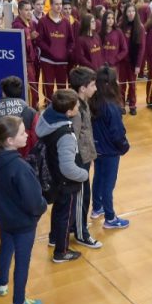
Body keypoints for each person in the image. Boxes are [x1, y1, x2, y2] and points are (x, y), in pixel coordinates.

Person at [0, 116, 46, 304]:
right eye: (22, 132)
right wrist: (42, 207)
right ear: (10, 141)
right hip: (22, 223)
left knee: (5, 249)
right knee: (22, 261)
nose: (27, 134)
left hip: (4, 219)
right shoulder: (19, 167)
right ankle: (19, 303)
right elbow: (33, 201)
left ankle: (2, 283)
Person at [36, 89, 89, 264]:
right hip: (66, 181)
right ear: (68, 112)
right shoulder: (65, 135)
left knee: (58, 211)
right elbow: (67, 167)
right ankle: (62, 251)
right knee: (66, 216)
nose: (79, 106)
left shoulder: (47, 117)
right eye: (76, 105)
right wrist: (83, 174)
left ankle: (54, 238)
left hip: (54, 176)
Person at [90, 66, 130, 229]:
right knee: (108, 184)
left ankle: (96, 208)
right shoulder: (111, 106)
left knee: (98, 178)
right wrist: (124, 146)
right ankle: (110, 218)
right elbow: (117, 132)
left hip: (97, 148)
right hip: (110, 151)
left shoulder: (93, 101)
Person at [66, 67, 102, 249]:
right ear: (82, 88)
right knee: (81, 196)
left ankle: (74, 226)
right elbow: (74, 136)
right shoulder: (76, 109)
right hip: (79, 159)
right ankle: (81, 234)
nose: (95, 88)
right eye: (93, 85)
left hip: (84, 156)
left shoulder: (82, 103)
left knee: (79, 195)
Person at [36, 0, 74, 104]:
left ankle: (61, 106)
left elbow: (71, 41)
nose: (59, 6)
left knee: (62, 86)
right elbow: (39, 40)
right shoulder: (43, 21)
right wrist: (50, 50)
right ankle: (49, 105)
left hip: (62, 60)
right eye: (56, 4)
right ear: (51, 5)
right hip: (48, 60)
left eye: (60, 4)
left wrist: (67, 52)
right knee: (48, 86)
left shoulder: (66, 22)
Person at [0, 75, 37, 156]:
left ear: (3, 93)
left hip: (2, 158)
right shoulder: (31, 112)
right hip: (27, 158)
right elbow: (35, 138)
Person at [12, 0, 41, 109]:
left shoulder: (32, 23)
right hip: (25, 61)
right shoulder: (17, 26)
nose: (29, 12)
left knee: (35, 85)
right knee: (31, 87)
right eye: (26, 10)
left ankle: (35, 106)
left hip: (34, 59)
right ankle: (31, 109)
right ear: (19, 11)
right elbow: (18, 44)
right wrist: (30, 37)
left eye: (30, 10)